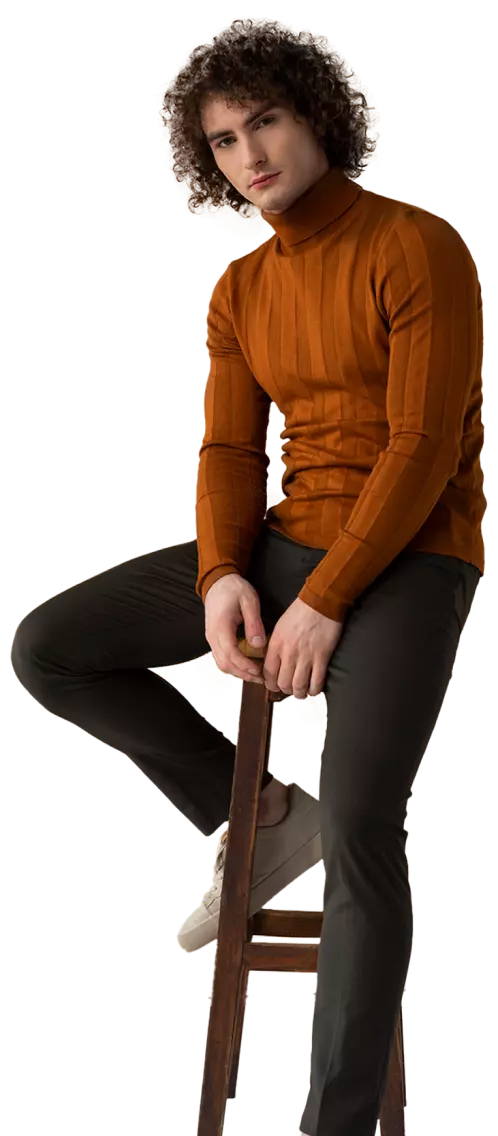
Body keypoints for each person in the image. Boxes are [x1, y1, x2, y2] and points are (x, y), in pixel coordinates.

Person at [9, 16, 486, 1136]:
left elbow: (422, 446)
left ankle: (334, 1125)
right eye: (222, 140)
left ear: (315, 113)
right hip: (284, 545)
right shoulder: (239, 289)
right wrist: (226, 571)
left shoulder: (417, 244)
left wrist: (324, 600)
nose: (248, 155)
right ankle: (259, 810)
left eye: (263, 121)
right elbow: (229, 450)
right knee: (48, 646)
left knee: (364, 830)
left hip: (413, 553)